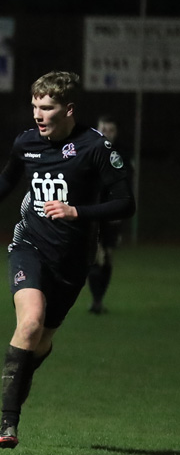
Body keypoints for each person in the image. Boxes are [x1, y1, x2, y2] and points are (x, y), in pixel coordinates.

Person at [0, 71, 135, 449]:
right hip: (30, 246)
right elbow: (8, 177)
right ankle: (9, 423)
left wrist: (77, 212)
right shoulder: (26, 143)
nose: (38, 115)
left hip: (73, 261)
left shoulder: (95, 148)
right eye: (35, 106)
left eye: (47, 107)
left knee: (41, 341)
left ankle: (22, 374)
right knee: (30, 324)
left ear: (68, 109)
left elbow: (126, 202)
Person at [87, 115, 127, 314]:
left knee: (108, 257)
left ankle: (99, 300)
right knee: (96, 256)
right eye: (103, 129)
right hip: (92, 213)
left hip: (112, 215)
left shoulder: (121, 155)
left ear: (116, 133)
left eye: (110, 130)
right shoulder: (89, 150)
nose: (107, 133)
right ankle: (95, 301)